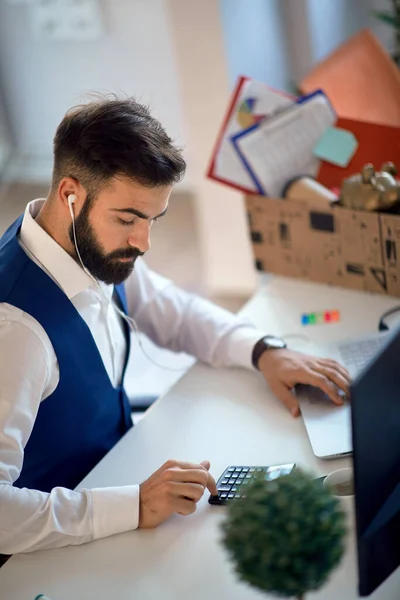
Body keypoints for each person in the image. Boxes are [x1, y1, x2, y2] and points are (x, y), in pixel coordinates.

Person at [0, 96, 350, 557]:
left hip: (115, 472)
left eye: (153, 220)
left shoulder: (89, 249)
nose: (143, 242)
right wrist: (136, 503)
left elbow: (175, 312)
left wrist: (264, 350)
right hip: (52, 546)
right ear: (70, 195)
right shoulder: (17, 332)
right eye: (128, 219)